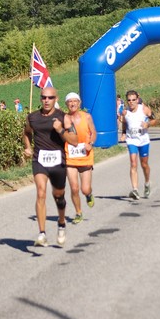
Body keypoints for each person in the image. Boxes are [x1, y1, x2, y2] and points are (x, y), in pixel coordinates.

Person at [23, 86, 77, 247]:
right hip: (39, 160)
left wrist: (60, 130)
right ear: (41, 99)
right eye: (44, 97)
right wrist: (27, 147)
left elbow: (74, 140)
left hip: (58, 161)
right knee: (41, 192)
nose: (46, 100)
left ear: (56, 99)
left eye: (50, 98)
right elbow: (26, 133)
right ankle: (42, 234)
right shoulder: (32, 117)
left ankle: (61, 223)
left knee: (59, 196)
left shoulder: (64, 117)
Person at [64, 92, 97, 224]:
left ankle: (89, 195)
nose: (72, 104)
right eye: (70, 102)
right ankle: (78, 213)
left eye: (75, 101)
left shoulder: (87, 117)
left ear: (79, 103)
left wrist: (91, 143)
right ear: (66, 104)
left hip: (85, 155)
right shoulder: (64, 118)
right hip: (70, 157)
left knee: (84, 189)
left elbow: (94, 132)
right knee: (74, 188)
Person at [120, 90, 155, 200]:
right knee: (133, 163)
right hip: (132, 140)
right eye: (129, 100)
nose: (131, 102)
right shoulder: (125, 112)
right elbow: (125, 123)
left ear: (137, 99)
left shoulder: (144, 109)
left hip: (143, 140)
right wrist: (124, 133)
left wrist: (148, 124)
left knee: (144, 165)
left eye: (133, 100)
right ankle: (135, 189)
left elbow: (155, 120)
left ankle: (147, 183)